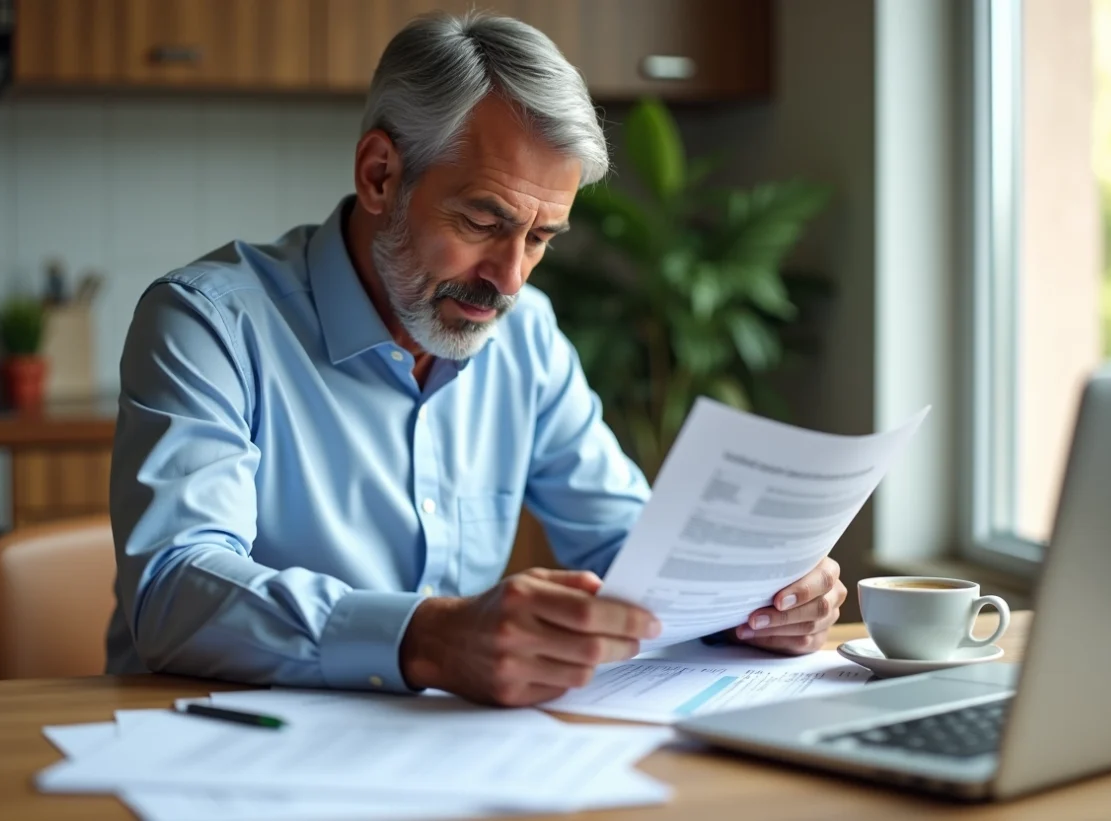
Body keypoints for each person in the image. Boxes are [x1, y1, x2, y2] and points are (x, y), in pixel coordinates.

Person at [105, 11, 847, 707]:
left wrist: (753, 601)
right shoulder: (208, 322)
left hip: (446, 756)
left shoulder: (526, 337)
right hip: (222, 746)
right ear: (379, 175)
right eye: (484, 221)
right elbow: (173, 591)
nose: (510, 277)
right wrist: (425, 638)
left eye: (541, 237)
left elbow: (630, 547)